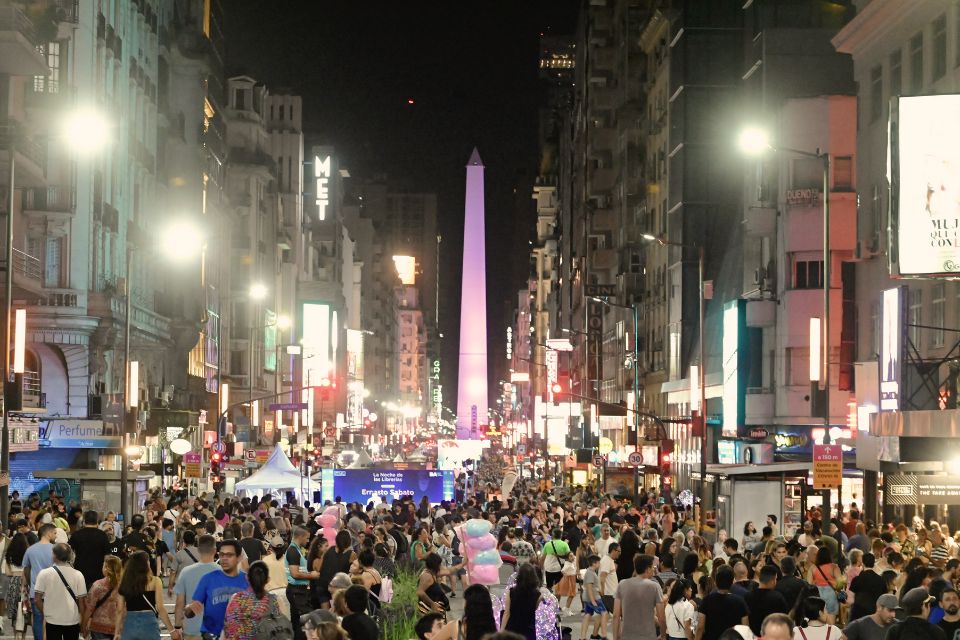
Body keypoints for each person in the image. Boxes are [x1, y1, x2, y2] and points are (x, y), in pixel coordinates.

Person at [186, 539, 247, 640]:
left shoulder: (248, 581)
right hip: (211, 635)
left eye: (229, 555)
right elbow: (190, 610)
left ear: (239, 558)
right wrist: (189, 609)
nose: (224, 558)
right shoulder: (208, 579)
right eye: (222, 555)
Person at [115, 550, 174, 639]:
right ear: (146, 563)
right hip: (149, 624)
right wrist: (172, 630)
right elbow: (160, 608)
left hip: (130, 624)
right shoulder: (155, 581)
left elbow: (119, 610)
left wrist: (117, 632)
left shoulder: (124, 582)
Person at [34, 543, 86, 640]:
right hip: (72, 620)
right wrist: (82, 622)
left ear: (54, 555)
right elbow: (82, 602)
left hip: (52, 620)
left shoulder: (44, 573)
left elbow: (37, 599)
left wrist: (46, 613)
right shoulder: (78, 575)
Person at [172, 533, 219, 640]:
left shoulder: (186, 572)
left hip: (191, 628)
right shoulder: (222, 572)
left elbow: (179, 603)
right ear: (215, 550)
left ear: (198, 550)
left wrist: (177, 626)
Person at [222, 560, 284, 640]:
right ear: (268, 580)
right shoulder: (275, 601)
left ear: (247, 577)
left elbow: (226, 631)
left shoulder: (235, 598)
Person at [612, 554, 665, 640]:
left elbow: (616, 615)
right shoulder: (655, 586)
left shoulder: (622, 584)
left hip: (627, 636)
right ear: (647, 569)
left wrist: (615, 637)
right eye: (652, 567)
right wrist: (663, 635)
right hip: (648, 636)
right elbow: (661, 617)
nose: (654, 569)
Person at [22, 522, 57, 640]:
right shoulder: (55, 549)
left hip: (35, 591)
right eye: (55, 533)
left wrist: (30, 582)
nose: (56, 535)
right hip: (53, 591)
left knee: (37, 619)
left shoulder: (30, 550)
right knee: (52, 620)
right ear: (48, 533)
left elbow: (26, 569)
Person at [286, 527, 321, 640]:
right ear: (300, 536)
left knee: (296, 622)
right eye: (307, 538)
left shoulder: (297, 549)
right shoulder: (293, 551)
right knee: (306, 621)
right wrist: (312, 575)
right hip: (297, 591)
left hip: (298, 590)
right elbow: (295, 573)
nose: (308, 541)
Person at [696, 565, 749, 640]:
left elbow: (700, 628)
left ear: (716, 581)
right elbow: (745, 628)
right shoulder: (740, 602)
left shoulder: (707, 600)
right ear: (732, 581)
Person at [81, 555, 121, 640]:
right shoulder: (123, 586)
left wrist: (83, 627)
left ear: (106, 568)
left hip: (99, 628)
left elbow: (89, 609)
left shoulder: (98, 585)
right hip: (119, 628)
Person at [68, 511, 110, 590]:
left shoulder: (76, 534)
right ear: (97, 521)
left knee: (81, 597)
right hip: (98, 573)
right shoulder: (103, 535)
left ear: (84, 521)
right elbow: (107, 556)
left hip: (80, 572)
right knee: (96, 599)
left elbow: (68, 552)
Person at [745, 564, 789, 636]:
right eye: (776, 579)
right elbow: (785, 619)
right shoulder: (778, 597)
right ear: (773, 580)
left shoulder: (747, 596)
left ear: (760, 578)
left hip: (753, 636)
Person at [502, 564, 543, 640]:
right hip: (528, 630)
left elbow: (506, 613)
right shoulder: (539, 596)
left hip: (512, 629)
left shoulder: (510, 592)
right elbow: (534, 611)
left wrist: (501, 631)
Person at [316, 530, 355, 608]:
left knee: (326, 614)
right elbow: (354, 570)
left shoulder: (329, 549)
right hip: (337, 587)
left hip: (322, 584)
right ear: (349, 541)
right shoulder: (352, 554)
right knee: (337, 614)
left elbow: (319, 567)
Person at [806, 546, 842, 623]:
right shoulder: (834, 567)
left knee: (819, 618)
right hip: (831, 594)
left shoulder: (812, 568)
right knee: (831, 622)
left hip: (817, 594)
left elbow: (809, 584)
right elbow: (840, 583)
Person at [848, 553, 885, 621]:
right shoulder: (881, 580)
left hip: (857, 615)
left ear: (863, 563)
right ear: (874, 564)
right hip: (874, 615)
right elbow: (883, 599)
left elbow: (850, 601)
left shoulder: (857, 579)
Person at [581, 554, 607, 640]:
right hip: (594, 597)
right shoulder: (591, 573)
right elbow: (589, 587)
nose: (600, 564)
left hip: (588, 597)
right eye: (599, 562)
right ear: (594, 563)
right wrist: (593, 601)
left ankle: (583, 637)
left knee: (587, 615)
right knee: (604, 613)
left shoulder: (590, 572)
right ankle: (604, 635)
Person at [599, 542, 620, 613]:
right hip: (609, 594)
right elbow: (602, 577)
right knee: (618, 614)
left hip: (609, 594)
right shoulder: (606, 560)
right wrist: (602, 592)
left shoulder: (609, 560)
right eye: (618, 551)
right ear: (613, 550)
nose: (619, 553)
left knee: (603, 615)